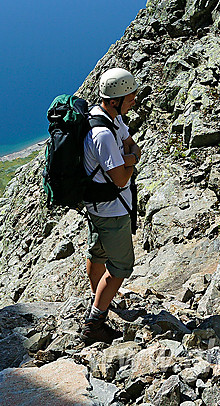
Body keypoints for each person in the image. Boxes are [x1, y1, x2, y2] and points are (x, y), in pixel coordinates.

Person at [80, 67, 142, 344]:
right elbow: (119, 178)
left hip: (99, 207)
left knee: (98, 253)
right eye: (130, 97)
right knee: (120, 265)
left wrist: (128, 157)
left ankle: (98, 296)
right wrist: (129, 161)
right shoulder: (104, 134)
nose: (134, 101)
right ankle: (95, 323)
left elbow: (132, 145)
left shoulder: (108, 118)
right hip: (111, 210)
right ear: (116, 99)